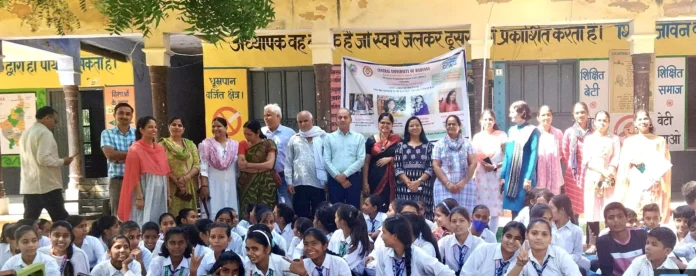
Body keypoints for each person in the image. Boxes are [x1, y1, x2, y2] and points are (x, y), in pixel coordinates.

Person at [616, 109, 672, 223]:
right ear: (635, 124)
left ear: (650, 122)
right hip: (636, 185)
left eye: (645, 118)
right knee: (636, 219)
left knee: (652, 218)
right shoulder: (629, 141)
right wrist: (633, 161)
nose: (643, 121)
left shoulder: (659, 141)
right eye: (640, 119)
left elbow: (663, 165)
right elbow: (623, 166)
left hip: (653, 186)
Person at [19, 106, 73, 221]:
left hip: (30, 186)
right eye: (55, 120)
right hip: (47, 186)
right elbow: (43, 159)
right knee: (62, 221)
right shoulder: (44, 133)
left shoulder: (26, 133)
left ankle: (20, 239)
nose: (56, 124)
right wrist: (63, 161)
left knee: (28, 222)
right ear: (47, 118)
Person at [117, 116, 171, 225]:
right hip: (144, 189)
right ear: (141, 130)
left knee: (159, 219)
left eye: (155, 127)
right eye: (150, 127)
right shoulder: (135, 149)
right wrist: (139, 197)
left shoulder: (160, 149)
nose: (154, 129)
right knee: (143, 220)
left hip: (160, 191)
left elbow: (165, 173)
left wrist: (168, 195)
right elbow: (133, 175)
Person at [582, 111, 620, 254]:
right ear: (595, 122)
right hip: (593, 177)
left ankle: (612, 240)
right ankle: (593, 244)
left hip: (609, 178)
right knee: (592, 209)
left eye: (605, 120)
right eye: (599, 120)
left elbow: (616, 157)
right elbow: (587, 161)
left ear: (609, 122)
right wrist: (602, 172)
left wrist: (609, 171)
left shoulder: (614, 139)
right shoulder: (589, 139)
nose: (602, 123)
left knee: (608, 208)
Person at [373, 215, 455, 276]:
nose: (381, 236)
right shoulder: (383, 253)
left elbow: (447, 273)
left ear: (395, 236)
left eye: (384, 232)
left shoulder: (418, 255)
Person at [501, 101, 540, 218]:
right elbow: (508, 154)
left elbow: (534, 154)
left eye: (512, 112)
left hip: (524, 175)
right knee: (514, 209)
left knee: (525, 207)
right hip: (511, 175)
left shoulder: (533, 131)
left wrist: (528, 177)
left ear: (521, 112)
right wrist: (503, 176)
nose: (510, 115)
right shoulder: (511, 130)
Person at [285, 111, 327, 219]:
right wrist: (289, 182)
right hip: (299, 183)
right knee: (301, 214)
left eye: (305, 121)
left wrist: (327, 181)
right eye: (300, 122)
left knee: (319, 214)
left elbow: (328, 160)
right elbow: (288, 162)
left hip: (318, 182)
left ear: (312, 121)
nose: (303, 124)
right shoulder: (294, 139)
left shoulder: (323, 137)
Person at [503, 218, 581, 276]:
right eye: (534, 233)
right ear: (526, 235)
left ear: (550, 238)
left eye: (544, 234)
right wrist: (519, 265)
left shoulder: (560, 255)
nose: (539, 238)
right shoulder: (521, 256)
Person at [432, 115, 477, 211]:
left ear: (459, 126)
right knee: (445, 214)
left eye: (454, 124)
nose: (451, 126)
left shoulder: (467, 143)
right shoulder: (439, 144)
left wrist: (464, 182)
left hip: (464, 186)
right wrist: (447, 183)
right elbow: (436, 166)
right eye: (449, 124)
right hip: (444, 186)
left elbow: (473, 163)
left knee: (464, 214)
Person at [472, 109, 506, 232]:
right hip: (481, 174)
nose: (488, 122)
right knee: (480, 204)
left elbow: (507, 156)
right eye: (485, 119)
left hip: (496, 174)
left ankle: (492, 234)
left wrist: (495, 166)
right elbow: (474, 156)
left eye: (490, 119)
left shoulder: (501, 135)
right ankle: (479, 232)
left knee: (495, 207)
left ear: (494, 121)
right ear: (481, 121)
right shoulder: (477, 137)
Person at [324, 108, 366, 209]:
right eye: (340, 117)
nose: (342, 119)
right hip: (335, 180)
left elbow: (361, 159)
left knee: (353, 210)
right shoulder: (329, 138)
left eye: (345, 117)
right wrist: (339, 177)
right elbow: (326, 161)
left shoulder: (359, 137)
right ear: (336, 120)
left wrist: (345, 175)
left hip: (353, 179)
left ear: (350, 120)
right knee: (335, 211)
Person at [395, 116, 434, 220]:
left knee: (422, 216)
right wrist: (409, 183)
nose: (414, 127)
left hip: (423, 187)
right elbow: (398, 168)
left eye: (417, 125)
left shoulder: (429, 146)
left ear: (421, 127)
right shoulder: (400, 146)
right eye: (411, 125)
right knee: (405, 216)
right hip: (404, 187)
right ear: (407, 129)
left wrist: (418, 182)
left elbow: (430, 167)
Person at [199, 117, 240, 216]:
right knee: (214, 209)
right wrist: (204, 185)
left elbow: (238, 167)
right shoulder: (206, 144)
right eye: (213, 126)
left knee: (231, 208)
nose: (215, 129)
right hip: (213, 182)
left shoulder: (235, 145)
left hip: (231, 184)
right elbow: (203, 165)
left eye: (219, 126)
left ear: (226, 128)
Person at [160, 117, 200, 216]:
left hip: (188, 186)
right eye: (173, 125)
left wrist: (186, 178)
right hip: (171, 186)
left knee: (189, 216)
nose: (176, 127)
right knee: (173, 215)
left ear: (183, 129)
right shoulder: (162, 145)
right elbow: (161, 166)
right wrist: (176, 181)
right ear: (168, 127)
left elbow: (197, 165)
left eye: (180, 125)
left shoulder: (191, 145)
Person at [101, 102, 136, 216]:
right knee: (118, 215)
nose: (124, 116)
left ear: (131, 116)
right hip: (117, 180)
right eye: (121, 113)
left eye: (127, 114)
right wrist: (132, 154)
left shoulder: (138, 134)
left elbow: (143, 156)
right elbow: (110, 155)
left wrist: (119, 158)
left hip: (136, 181)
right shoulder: (107, 133)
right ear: (114, 115)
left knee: (136, 213)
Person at [596, 202, 648, 276]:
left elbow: (650, 262)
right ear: (606, 222)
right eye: (611, 217)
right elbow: (607, 271)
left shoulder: (641, 235)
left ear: (626, 218)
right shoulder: (603, 242)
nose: (616, 220)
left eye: (620, 216)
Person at [364, 113, 402, 210]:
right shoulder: (371, 140)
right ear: (378, 124)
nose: (385, 125)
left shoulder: (398, 140)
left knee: (389, 205)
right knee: (374, 205)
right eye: (382, 122)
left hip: (391, 180)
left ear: (392, 125)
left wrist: (390, 159)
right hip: (374, 178)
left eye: (388, 123)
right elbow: (366, 162)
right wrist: (365, 182)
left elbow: (403, 158)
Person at [562, 102, 592, 221]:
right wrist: (572, 166)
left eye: (583, 112)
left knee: (590, 204)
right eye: (577, 112)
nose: (580, 115)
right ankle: (574, 234)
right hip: (573, 175)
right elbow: (564, 153)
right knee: (572, 206)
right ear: (574, 115)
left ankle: (591, 239)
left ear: (588, 113)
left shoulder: (593, 132)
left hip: (590, 173)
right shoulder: (569, 132)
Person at [462, 221, 526, 276]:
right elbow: (466, 273)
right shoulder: (484, 249)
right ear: (501, 236)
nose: (511, 241)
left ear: (522, 241)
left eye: (517, 239)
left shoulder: (520, 259)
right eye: (508, 236)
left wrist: (519, 264)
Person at [239, 120, 278, 208]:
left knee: (265, 211)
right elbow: (241, 166)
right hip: (247, 185)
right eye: (245, 134)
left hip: (266, 185)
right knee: (248, 211)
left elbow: (269, 165)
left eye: (249, 134)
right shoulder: (242, 144)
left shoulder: (269, 144)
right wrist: (261, 168)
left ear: (257, 132)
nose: (246, 137)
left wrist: (248, 165)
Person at [262, 103, 296, 205]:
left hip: (285, 177)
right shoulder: (261, 132)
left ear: (278, 116)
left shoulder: (289, 133)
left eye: (269, 115)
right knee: (267, 208)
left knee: (286, 207)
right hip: (266, 177)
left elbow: (295, 155)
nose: (266, 118)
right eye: (265, 116)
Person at [284, 228, 352, 276]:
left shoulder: (339, 264)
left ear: (325, 246)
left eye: (314, 243)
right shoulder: (303, 265)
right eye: (306, 244)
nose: (309, 248)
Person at [438, 207, 484, 275]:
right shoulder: (444, 243)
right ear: (450, 223)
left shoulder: (480, 244)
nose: (457, 224)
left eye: (462, 220)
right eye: (454, 221)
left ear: (469, 222)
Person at [548, 195, 590, 271]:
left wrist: (563, 259)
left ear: (562, 210)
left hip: (567, 266)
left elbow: (577, 254)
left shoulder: (576, 231)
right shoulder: (548, 227)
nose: (548, 211)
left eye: (551, 208)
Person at [329, 204, 369, 275]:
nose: (334, 220)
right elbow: (329, 253)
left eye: (336, 217)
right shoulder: (337, 233)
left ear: (342, 222)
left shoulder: (357, 241)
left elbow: (343, 264)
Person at [535, 106, 563, 195]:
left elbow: (561, 153)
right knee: (540, 199)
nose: (546, 117)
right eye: (543, 115)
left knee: (554, 201)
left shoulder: (558, 133)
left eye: (548, 115)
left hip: (554, 174)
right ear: (538, 117)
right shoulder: (534, 133)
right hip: (539, 174)